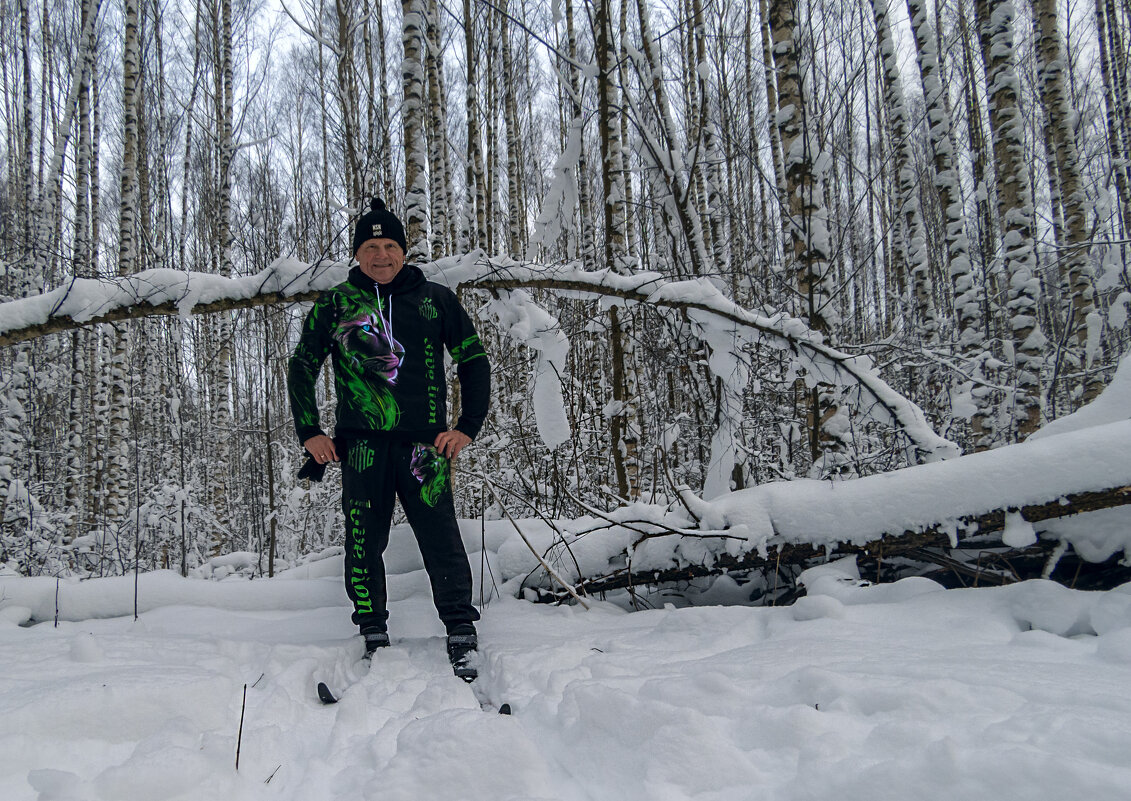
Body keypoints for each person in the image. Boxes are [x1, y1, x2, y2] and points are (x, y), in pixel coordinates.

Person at [287, 198, 490, 681]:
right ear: (357, 254)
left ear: (405, 250)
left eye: (391, 245)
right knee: (363, 541)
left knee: (440, 538)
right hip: (361, 448)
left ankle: (460, 627)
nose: (382, 255)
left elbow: (474, 360)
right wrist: (310, 432)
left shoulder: (435, 298)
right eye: (371, 246)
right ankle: (372, 629)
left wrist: (467, 426)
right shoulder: (336, 303)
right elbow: (302, 365)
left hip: (425, 447)